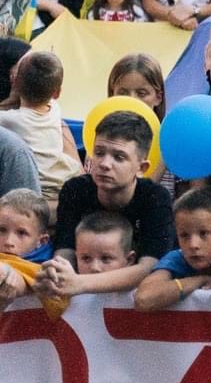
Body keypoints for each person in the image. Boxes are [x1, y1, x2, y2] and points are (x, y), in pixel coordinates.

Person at [37, 110, 171, 298]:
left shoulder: (155, 197)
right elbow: (65, 249)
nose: (104, 164)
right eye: (99, 153)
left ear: (142, 168)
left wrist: (80, 283)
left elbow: (149, 267)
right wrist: (58, 274)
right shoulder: (75, 189)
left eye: (119, 157)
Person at [134, 186, 211, 311]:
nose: (193, 245)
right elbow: (143, 299)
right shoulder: (177, 258)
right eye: (184, 235)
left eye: (204, 233)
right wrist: (201, 280)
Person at [1, 49, 76, 202]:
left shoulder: (9, 119)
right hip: (61, 178)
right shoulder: (55, 108)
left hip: (39, 185)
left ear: (14, 83)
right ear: (57, 93)